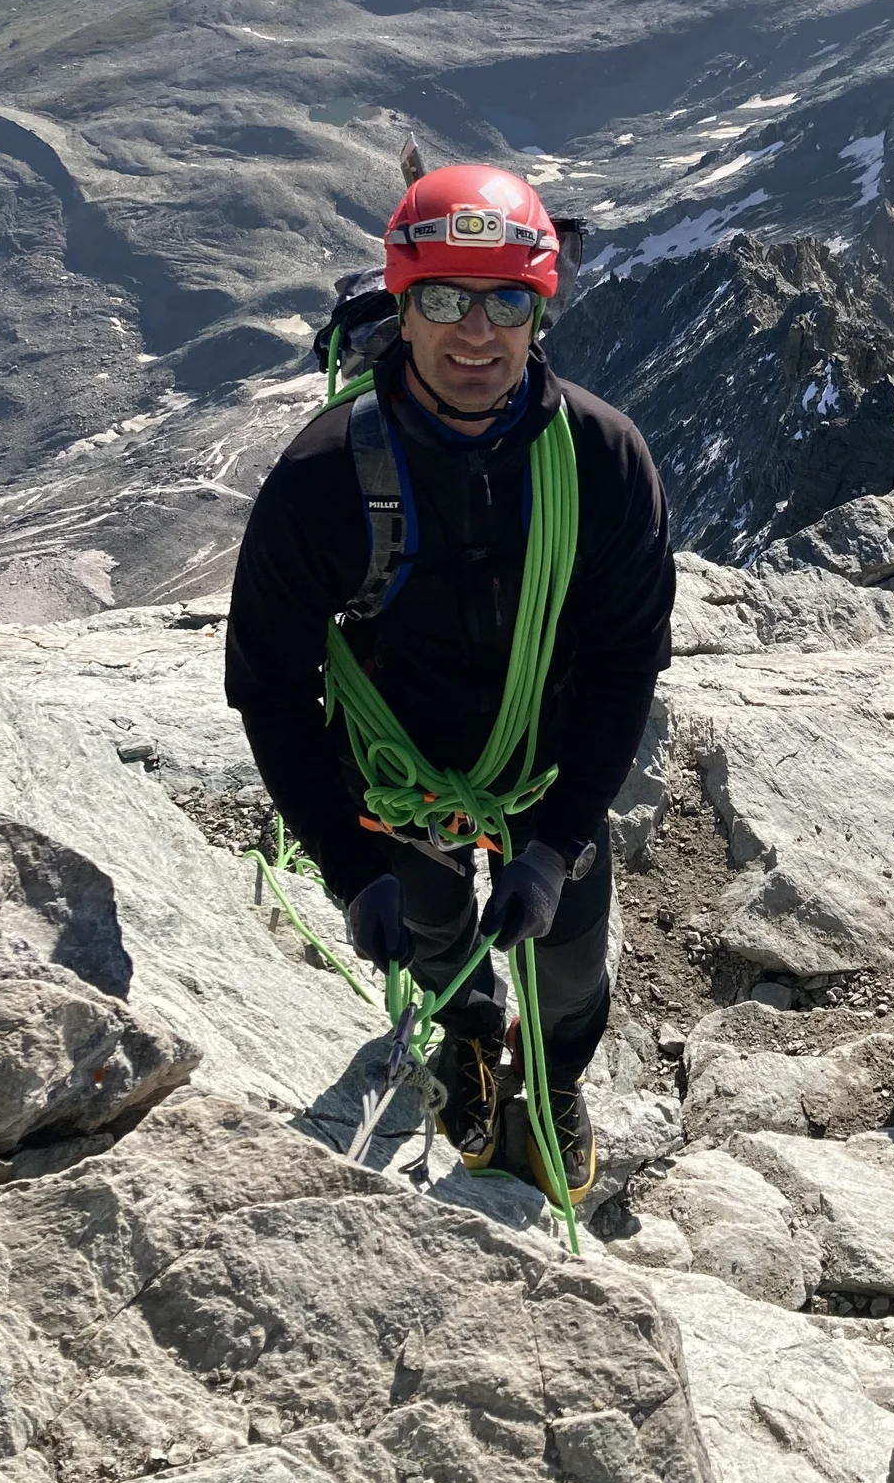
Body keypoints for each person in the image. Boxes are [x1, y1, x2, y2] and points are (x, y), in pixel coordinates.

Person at [225, 160, 675, 1205]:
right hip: (397, 780)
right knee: (436, 936)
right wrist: (347, 861)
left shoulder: (605, 460)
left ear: (541, 309)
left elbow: (624, 664)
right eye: (444, 300)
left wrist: (558, 842)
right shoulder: (319, 478)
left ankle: (553, 1081)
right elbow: (273, 687)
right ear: (401, 301)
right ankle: (469, 1039)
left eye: (507, 301)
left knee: (567, 965)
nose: (477, 333)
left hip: (547, 763)